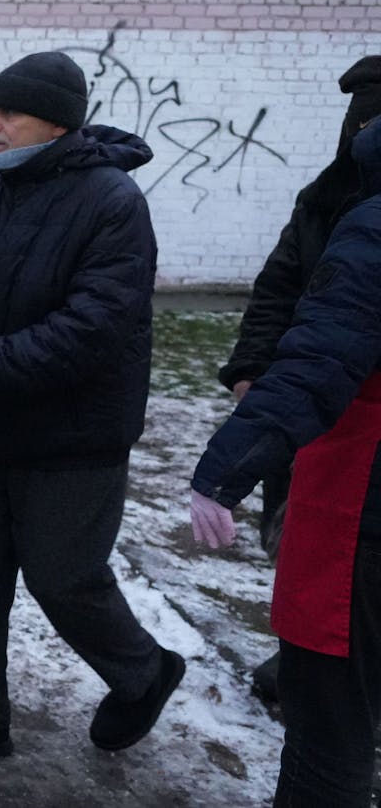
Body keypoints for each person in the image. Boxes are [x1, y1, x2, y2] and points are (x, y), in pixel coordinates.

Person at [0, 51, 184, 761]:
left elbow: (86, 334)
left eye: (7, 112)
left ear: (57, 122)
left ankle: (143, 672)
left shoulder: (112, 203)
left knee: (65, 578)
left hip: (72, 440)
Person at [190, 112, 381, 807]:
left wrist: (223, 471)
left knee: (329, 720)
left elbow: (319, 362)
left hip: (360, 515)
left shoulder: (371, 223)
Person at [215, 56, 381, 702]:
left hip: (359, 426)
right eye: (361, 121)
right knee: (295, 543)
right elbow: (278, 286)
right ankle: (300, 658)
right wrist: (252, 369)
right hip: (301, 410)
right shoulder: (322, 200)